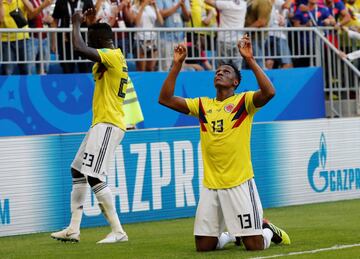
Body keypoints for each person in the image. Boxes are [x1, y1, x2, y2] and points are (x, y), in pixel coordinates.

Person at [158, 35, 291, 252]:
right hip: (212, 184)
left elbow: (269, 92)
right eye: (218, 71)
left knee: (254, 246)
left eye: (226, 72)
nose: (220, 72)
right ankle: (230, 235)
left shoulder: (243, 102)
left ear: (235, 82)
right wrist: (177, 64)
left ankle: (268, 230)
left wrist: (250, 60)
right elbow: (164, 98)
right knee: (203, 247)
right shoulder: (202, 105)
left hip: (239, 181)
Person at [51, 8, 129, 244]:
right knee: (77, 170)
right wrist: (91, 23)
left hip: (109, 124)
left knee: (94, 175)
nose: (89, 43)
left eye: (92, 39)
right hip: (99, 124)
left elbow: (79, 48)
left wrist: (74, 24)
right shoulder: (109, 59)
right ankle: (73, 228)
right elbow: (87, 50)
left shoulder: (113, 55)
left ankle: (118, 231)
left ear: (102, 41)